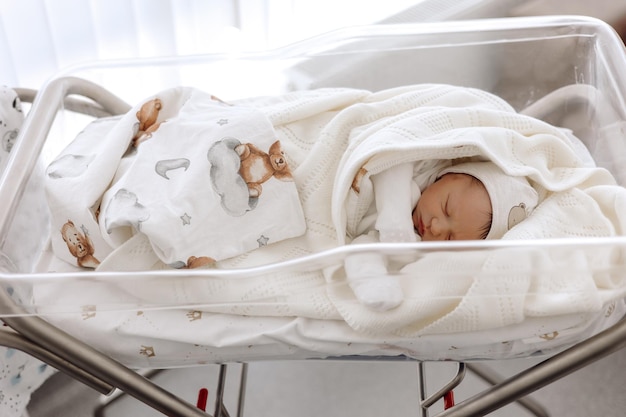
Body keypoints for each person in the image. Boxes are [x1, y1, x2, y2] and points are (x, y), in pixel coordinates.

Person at [344, 160, 539, 311]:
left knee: (367, 251)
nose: (436, 228)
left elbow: (366, 245)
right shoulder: (422, 167)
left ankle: (369, 282)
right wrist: (395, 225)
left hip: (352, 224)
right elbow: (389, 163)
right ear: (449, 174)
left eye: (449, 239)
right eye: (446, 208)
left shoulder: (417, 244)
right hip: (348, 176)